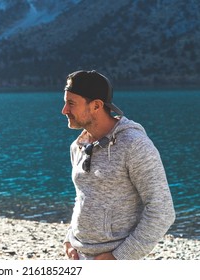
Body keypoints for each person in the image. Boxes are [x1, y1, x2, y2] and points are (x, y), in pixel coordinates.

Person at [61, 70, 175, 260]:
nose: (64, 110)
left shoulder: (134, 145)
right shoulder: (78, 147)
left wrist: (118, 258)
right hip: (79, 256)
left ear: (96, 105)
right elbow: (83, 197)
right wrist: (69, 238)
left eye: (71, 103)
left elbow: (162, 211)